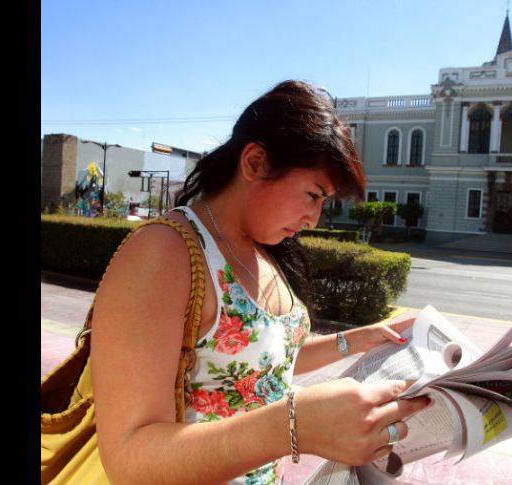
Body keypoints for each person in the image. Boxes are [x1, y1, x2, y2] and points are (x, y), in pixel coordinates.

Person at [90, 80, 431, 485]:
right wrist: (292, 427)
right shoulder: (165, 252)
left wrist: (358, 340)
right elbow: (129, 459)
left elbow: (262, 360)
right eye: (312, 194)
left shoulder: (264, 247)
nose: (314, 219)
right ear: (255, 163)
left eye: (325, 202)